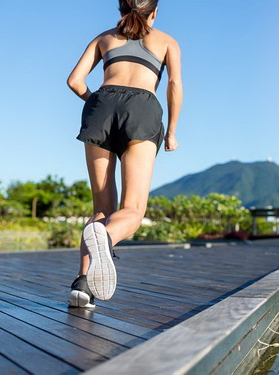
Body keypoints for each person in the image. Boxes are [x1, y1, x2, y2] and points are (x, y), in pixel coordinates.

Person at [66, 0, 182, 308]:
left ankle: (82, 286)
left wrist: (97, 104)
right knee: (132, 210)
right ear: (154, 12)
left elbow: (74, 81)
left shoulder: (103, 37)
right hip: (142, 108)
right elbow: (173, 84)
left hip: (100, 105)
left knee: (101, 209)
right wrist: (171, 131)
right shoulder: (167, 41)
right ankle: (105, 239)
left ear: (120, 10)